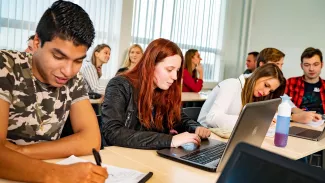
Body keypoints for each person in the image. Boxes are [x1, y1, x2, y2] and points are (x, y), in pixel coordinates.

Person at [0, 1, 107, 182]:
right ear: (36, 42)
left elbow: (91, 140)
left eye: (78, 61)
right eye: (59, 56)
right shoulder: (6, 66)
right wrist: (58, 175)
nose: (68, 71)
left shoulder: (74, 79)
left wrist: (21, 152)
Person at [101, 38, 211, 149]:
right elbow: (113, 132)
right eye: (169, 69)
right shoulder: (119, 85)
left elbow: (177, 118)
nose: (175, 77)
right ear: (151, 65)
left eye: (177, 71)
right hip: (121, 156)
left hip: (147, 156)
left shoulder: (163, 89)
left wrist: (195, 127)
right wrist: (169, 140)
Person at [198, 63, 286, 129]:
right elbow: (212, 119)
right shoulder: (232, 85)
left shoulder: (254, 94)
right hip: (204, 134)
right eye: (266, 85)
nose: (266, 92)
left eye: (270, 91)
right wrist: (252, 120)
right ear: (258, 75)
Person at [250, 47, 320, 123]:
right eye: (276, 64)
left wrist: (308, 115)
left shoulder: (275, 85)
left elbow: (289, 105)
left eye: (281, 65)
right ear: (262, 65)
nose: (279, 68)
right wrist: (293, 117)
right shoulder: (241, 84)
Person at [286, 47, 325, 118]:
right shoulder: (291, 82)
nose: (311, 69)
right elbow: (281, 105)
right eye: (307, 65)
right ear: (301, 66)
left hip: (322, 123)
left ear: (322, 65)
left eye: (315, 64)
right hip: (298, 122)